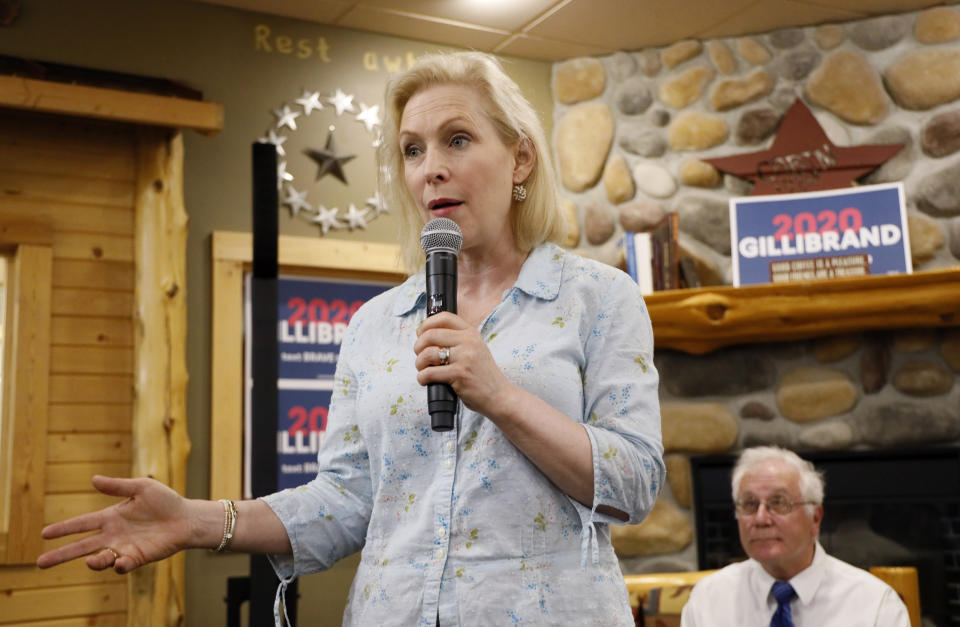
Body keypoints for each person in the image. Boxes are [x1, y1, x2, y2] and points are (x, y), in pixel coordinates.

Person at [36, 51, 664, 626]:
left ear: (520, 158)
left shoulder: (597, 298)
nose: (432, 170)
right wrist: (196, 521)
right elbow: (345, 501)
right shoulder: (375, 324)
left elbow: (635, 483)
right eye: (412, 151)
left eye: (459, 140)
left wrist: (500, 395)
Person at [681, 446, 909, 627]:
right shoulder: (709, 599)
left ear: (815, 518)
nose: (760, 519)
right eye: (749, 504)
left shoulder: (874, 604)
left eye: (778, 503)